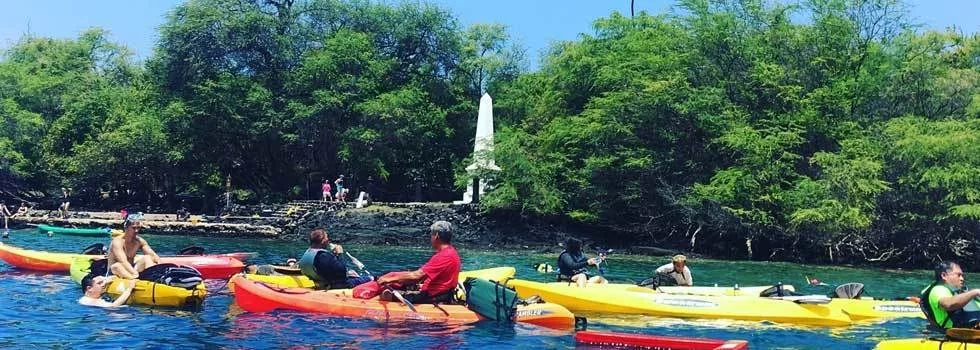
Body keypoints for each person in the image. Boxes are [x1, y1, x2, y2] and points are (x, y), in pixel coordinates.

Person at [376, 221, 460, 304]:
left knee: (386, 294)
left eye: (431, 235)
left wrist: (389, 279)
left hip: (433, 296)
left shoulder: (443, 256)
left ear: (436, 236)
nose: (430, 239)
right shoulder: (451, 252)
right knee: (405, 286)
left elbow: (417, 276)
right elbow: (425, 276)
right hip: (441, 293)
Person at [299, 228, 372, 289]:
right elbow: (342, 272)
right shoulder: (323, 256)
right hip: (336, 285)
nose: (328, 240)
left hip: (318, 281)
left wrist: (334, 256)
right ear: (323, 241)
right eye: (327, 237)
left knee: (352, 274)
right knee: (371, 278)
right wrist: (340, 254)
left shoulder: (308, 252)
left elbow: (326, 267)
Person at [921, 261, 980, 329]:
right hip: (955, 333)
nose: (962, 279)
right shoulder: (938, 289)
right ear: (944, 275)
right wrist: (975, 292)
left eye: (962, 276)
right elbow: (948, 304)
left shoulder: (964, 293)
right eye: (958, 275)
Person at [107, 213, 160, 279]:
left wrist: (159, 266)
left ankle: (154, 279)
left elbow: (153, 255)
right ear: (126, 228)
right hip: (116, 272)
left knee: (147, 258)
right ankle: (135, 279)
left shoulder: (139, 241)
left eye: (138, 228)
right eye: (134, 228)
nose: (136, 231)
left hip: (132, 271)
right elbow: (123, 261)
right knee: (117, 266)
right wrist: (135, 274)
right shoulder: (117, 242)